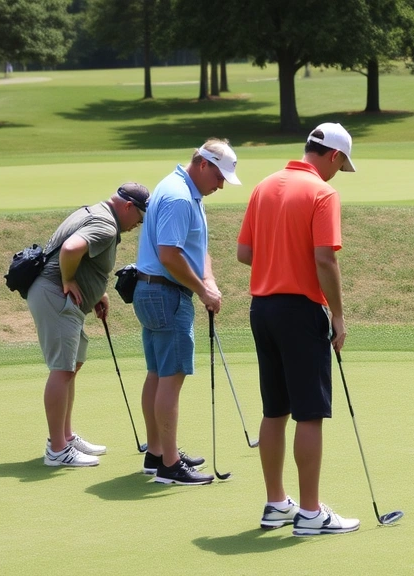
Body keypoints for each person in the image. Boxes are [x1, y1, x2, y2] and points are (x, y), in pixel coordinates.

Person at [237, 123, 360, 536]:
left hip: (262, 310)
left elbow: (245, 253)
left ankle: (276, 504)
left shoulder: (264, 186)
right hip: (300, 311)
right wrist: (339, 316)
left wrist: (278, 261)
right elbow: (326, 260)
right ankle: (310, 514)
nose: (337, 174)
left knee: (275, 409)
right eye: (340, 165)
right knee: (310, 412)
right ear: (333, 156)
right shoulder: (322, 193)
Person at [133, 138, 241, 485]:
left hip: (152, 290)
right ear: (204, 164)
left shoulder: (183, 189)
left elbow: (197, 247)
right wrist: (201, 289)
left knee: (157, 373)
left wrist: (208, 280)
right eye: (219, 176)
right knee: (171, 377)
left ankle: (157, 452)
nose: (221, 185)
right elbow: (170, 255)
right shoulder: (180, 197)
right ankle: (169, 464)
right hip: (167, 293)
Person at [28, 183, 149, 467]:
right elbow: (70, 249)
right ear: (129, 207)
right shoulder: (107, 226)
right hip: (55, 295)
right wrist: (69, 280)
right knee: (62, 370)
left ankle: (65, 437)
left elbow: (84, 258)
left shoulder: (95, 211)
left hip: (59, 297)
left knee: (72, 366)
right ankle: (57, 450)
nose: (138, 225)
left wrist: (98, 292)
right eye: (140, 218)